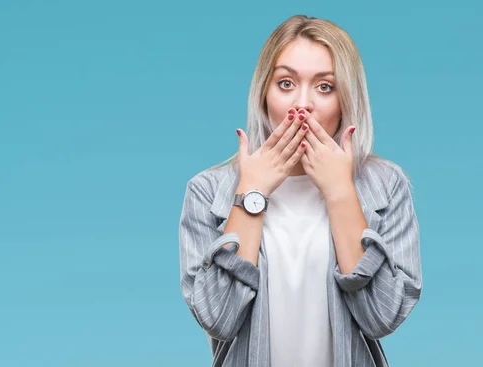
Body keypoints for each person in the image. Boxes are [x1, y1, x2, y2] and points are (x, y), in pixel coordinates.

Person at [178, 15, 422, 367]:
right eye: (286, 82)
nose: (302, 104)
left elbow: (382, 317)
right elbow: (218, 318)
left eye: (325, 87)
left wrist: (340, 192)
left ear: (346, 100)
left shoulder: (388, 185)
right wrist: (251, 193)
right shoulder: (206, 191)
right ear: (264, 94)